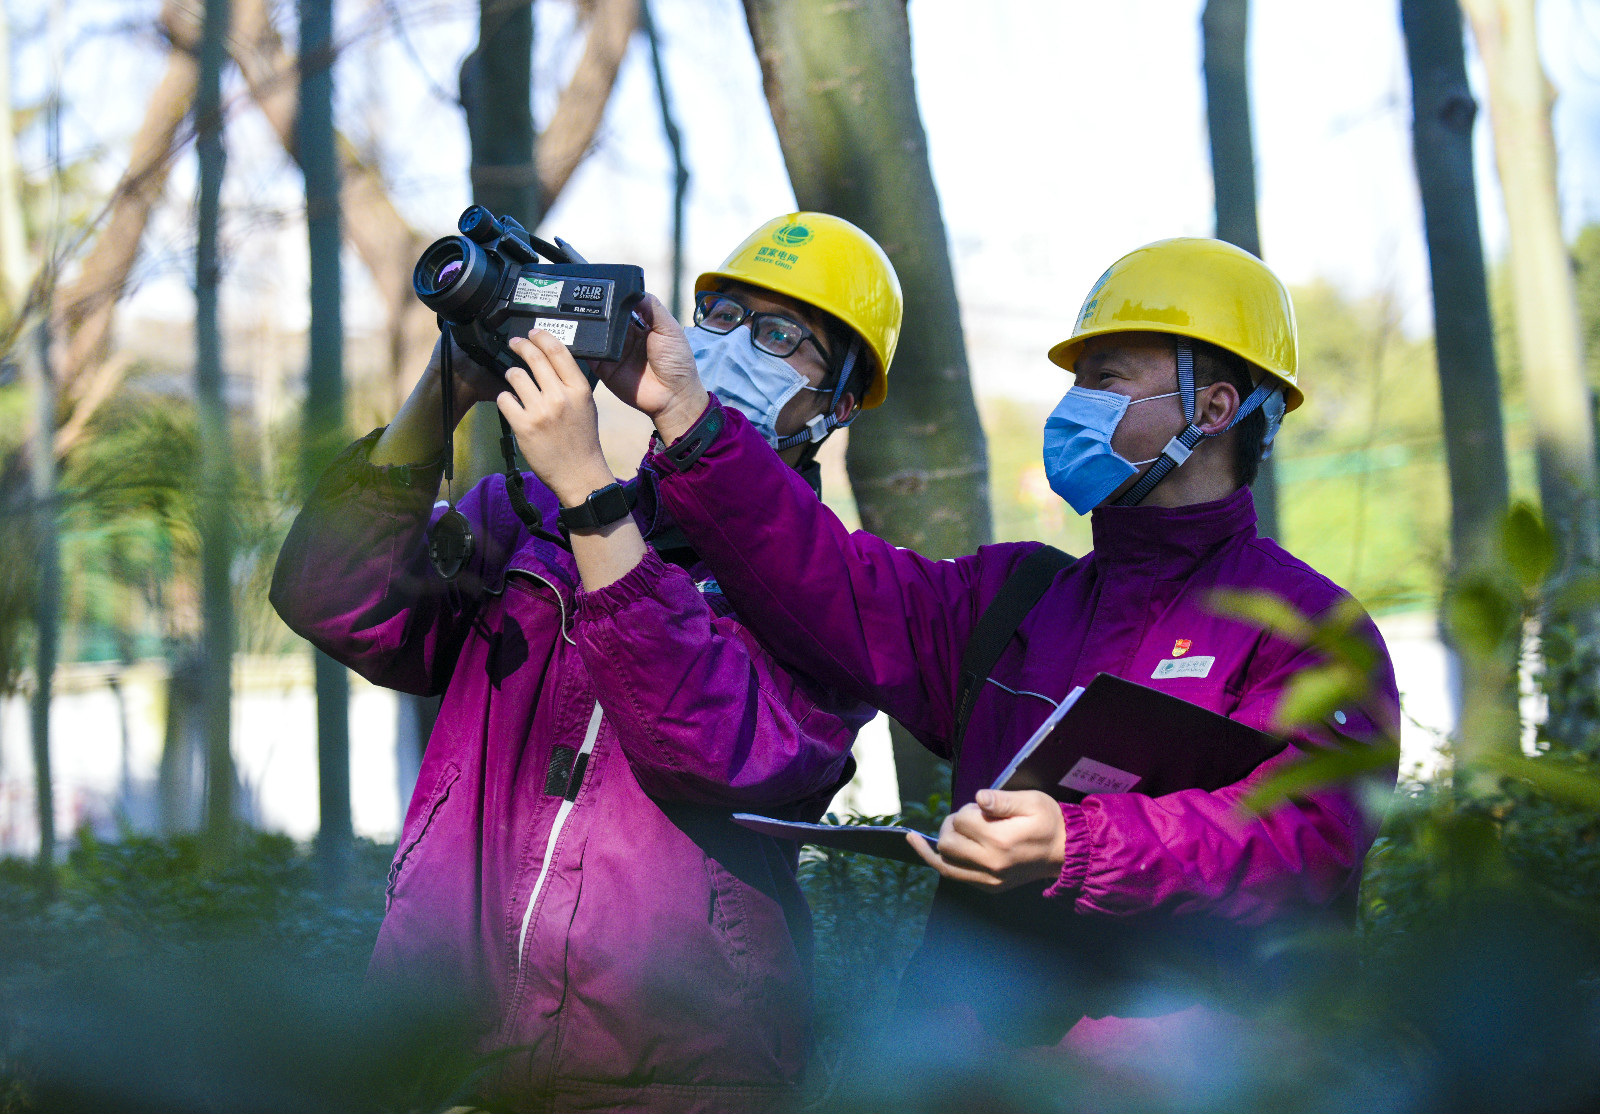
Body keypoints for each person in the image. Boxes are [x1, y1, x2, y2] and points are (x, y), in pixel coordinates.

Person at [601, 237, 1402, 1071]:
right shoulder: (1013, 598)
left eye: (1106, 379)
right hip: (974, 1072)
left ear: (1212, 409)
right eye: (1076, 380)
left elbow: (1302, 837)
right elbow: (827, 575)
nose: (1075, 405)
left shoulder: (1306, 629)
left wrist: (1079, 846)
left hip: (1196, 1081)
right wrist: (689, 422)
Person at [269, 212, 901, 1112]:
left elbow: (713, 747)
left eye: (778, 336)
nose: (729, 346)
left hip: (677, 1073)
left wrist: (591, 498)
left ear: (837, 403)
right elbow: (334, 599)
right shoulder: (524, 517)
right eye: (718, 315)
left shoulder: (835, 588)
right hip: (440, 1040)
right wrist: (447, 389)